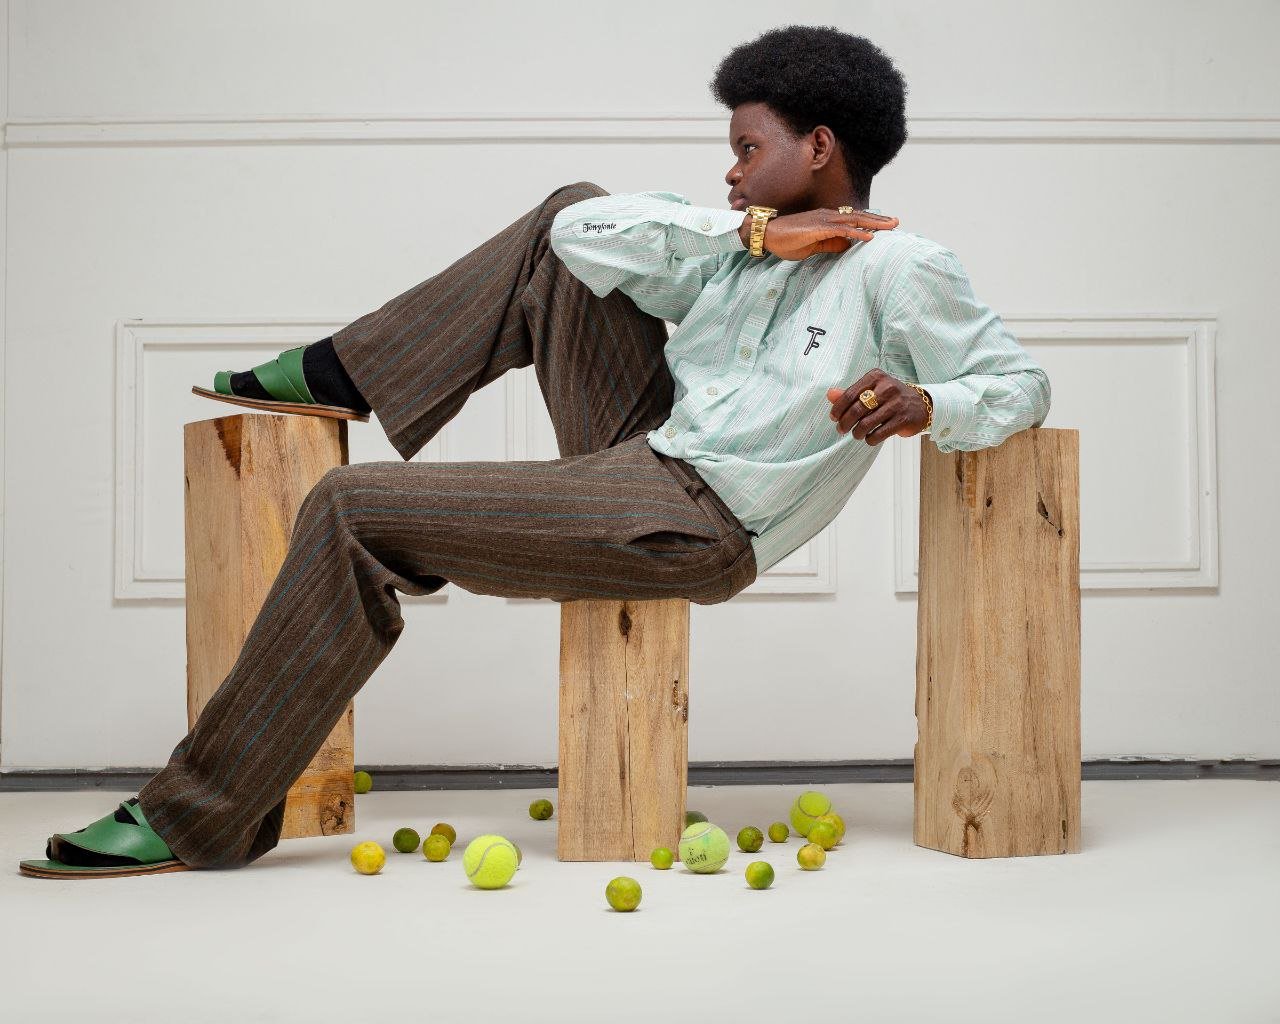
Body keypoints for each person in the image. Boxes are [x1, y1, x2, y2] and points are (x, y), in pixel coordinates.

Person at [19, 24, 1049, 878]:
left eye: (746, 149)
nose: (730, 171)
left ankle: (197, 813)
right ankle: (351, 372)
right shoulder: (739, 254)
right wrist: (748, 238)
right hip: (643, 454)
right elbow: (577, 238)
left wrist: (925, 400)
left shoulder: (901, 268)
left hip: (697, 519)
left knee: (349, 507)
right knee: (567, 217)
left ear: (818, 146)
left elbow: (1019, 385)